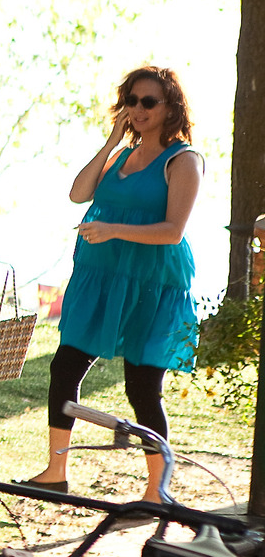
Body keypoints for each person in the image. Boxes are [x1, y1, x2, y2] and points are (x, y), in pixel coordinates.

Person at [23, 65, 203, 501]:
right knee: (64, 366)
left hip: (150, 287)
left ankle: (156, 493)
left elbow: (173, 231)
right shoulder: (121, 155)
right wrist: (111, 142)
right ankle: (56, 470)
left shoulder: (184, 160)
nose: (137, 109)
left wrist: (113, 230)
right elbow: (78, 193)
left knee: (142, 388)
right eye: (131, 101)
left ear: (170, 108)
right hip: (101, 280)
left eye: (148, 102)